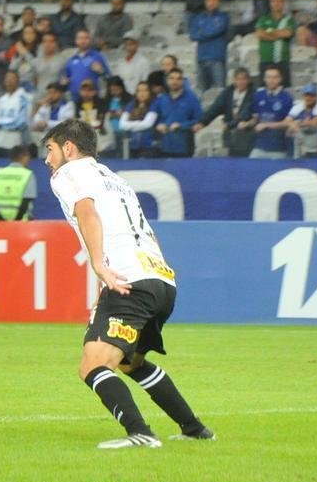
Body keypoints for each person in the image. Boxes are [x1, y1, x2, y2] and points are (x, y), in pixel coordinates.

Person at [43, 118, 214, 448]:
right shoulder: (117, 180)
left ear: (68, 148)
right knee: (129, 361)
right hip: (160, 279)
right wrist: (161, 269)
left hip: (128, 280)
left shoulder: (69, 173)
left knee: (93, 364)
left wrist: (98, 264)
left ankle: (142, 434)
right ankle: (194, 429)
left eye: (50, 150)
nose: (47, 159)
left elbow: (86, 212)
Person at [194, 68, 257, 157]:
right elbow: (215, 108)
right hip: (229, 134)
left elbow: (245, 113)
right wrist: (202, 122)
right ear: (234, 80)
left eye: (244, 79)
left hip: (245, 135)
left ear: (249, 80)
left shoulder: (253, 94)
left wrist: (229, 125)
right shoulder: (228, 92)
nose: (241, 82)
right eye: (238, 79)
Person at [154, 69, 202, 157]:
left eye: (178, 79)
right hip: (163, 147)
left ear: (183, 81)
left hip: (184, 147)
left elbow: (199, 120)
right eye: (171, 78)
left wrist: (181, 125)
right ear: (166, 80)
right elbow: (154, 118)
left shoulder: (192, 98)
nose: (174, 81)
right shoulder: (161, 99)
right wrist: (159, 124)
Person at [188, 0, 230, 91]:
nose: (211, 3)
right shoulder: (198, 18)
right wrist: (208, 32)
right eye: (208, 0)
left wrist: (202, 33)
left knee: (220, 91)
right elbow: (193, 35)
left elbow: (216, 30)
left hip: (217, 59)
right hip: (201, 59)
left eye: (214, 0)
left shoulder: (223, 17)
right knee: (202, 92)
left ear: (218, 2)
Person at [250, 66, 294, 158]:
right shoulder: (258, 95)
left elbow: (288, 123)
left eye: (275, 77)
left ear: (280, 79)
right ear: (264, 79)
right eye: (269, 77)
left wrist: (266, 125)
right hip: (259, 146)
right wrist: (247, 123)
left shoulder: (286, 98)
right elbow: (255, 117)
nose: (271, 80)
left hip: (278, 148)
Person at [0, 144, 36, 220]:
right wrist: (15, 222)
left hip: (0, 225)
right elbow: (26, 203)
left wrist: (3, 222)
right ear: (24, 157)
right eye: (28, 156)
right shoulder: (27, 175)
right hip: (22, 224)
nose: (29, 159)